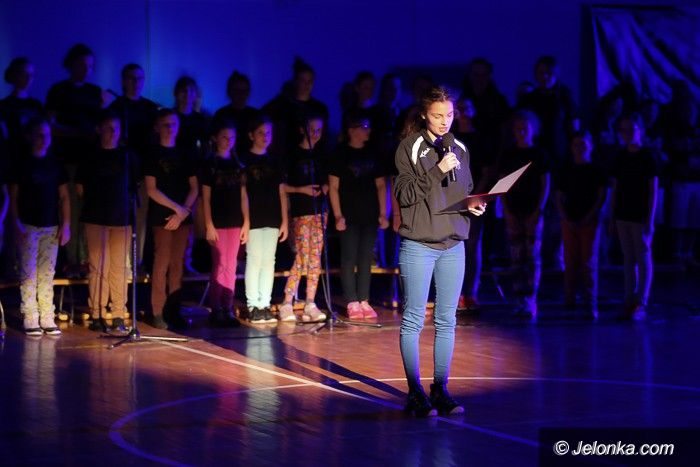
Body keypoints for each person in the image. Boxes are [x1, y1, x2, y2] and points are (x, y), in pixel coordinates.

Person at [394, 86, 486, 417]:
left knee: (447, 319)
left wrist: (472, 205)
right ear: (424, 115)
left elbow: (463, 191)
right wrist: (437, 170)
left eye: (449, 114)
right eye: (437, 115)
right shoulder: (410, 147)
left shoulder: (460, 148)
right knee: (414, 318)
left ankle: (440, 387)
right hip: (419, 244)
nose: (445, 121)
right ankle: (414, 392)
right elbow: (405, 195)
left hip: (453, 244)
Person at [45, 43, 103, 278]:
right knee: (69, 209)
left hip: (90, 162)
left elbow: (102, 126)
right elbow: (50, 125)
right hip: (66, 159)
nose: (86, 69)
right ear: (71, 64)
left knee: (88, 210)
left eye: (90, 65)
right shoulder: (58, 91)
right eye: (82, 64)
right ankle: (70, 261)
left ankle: (86, 259)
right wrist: (79, 133)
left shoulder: (95, 92)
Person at [8, 117, 70, 336]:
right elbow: (13, 196)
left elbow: (64, 196)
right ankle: (30, 315)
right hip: (28, 225)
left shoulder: (55, 163)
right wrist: (15, 222)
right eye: (40, 135)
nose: (44, 139)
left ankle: (46, 315)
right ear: (31, 137)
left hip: (51, 225)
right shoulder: (21, 163)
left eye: (47, 135)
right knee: (29, 272)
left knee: (47, 272)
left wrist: (66, 224)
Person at [77, 111, 137, 332]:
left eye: (117, 129)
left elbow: (134, 186)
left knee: (119, 268)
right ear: (99, 129)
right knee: (98, 267)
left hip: (121, 218)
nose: (113, 133)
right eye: (109, 128)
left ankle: (119, 313)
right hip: (96, 217)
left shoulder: (127, 156)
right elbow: (80, 188)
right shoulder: (90, 156)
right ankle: (97, 313)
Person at [329, 110, 389, 319]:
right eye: (364, 127)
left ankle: (364, 299)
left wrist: (383, 213)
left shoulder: (373, 153)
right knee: (348, 257)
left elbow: (381, 185)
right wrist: (338, 215)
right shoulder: (340, 153)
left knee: (365, 258)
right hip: (348, 215)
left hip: (369, 214)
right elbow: (333, 187)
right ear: (352, 130)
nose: (368, 131)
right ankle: (352, 301)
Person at [144, 109, 198, 329]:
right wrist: (177, 209)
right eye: (165, 124)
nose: (170, 128)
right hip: (162, 217)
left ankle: (174, 310)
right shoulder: (152, 153)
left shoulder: (185, 153)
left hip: (182, 217)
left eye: (173, 124)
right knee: (162, 263)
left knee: (178, 264)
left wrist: (184, 211)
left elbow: (194, 187)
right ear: (157, 127)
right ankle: (158, 311)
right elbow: (151, 189)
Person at [498, 110, 550, 319]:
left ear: (533, 130)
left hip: (532, 210)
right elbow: (503, 185)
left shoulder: (539, 154)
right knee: (516, 255)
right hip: (514, 209)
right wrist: (507, 210)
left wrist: (539, 210)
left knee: (532, 256)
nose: (521, 132)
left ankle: (531, 299)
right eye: (518, 128)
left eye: (525, 128)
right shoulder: (508, 155)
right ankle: (519, 299)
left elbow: (545, 184)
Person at [277, 114, 329, 323]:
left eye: (319, 130)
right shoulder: (292, 155)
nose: (315, 134)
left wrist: (323, 188)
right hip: (301, 212)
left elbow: (328, 181)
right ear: (302, 129)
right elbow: (282, 186)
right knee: (301, 257)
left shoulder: (321, 155)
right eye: (312, 129)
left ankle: (310, 302)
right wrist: (303, 190)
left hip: (320, 213)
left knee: (315, 259)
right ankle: (287, 302)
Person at [611, 113, 659, 320]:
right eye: (623, 130)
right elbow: (616, 187)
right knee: (628, 258)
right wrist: (612, 214)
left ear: (640, 130)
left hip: (640, 214)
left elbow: (653, 189)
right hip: (623, 213)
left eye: (631, 129)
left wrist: (650, 218)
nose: (627, 133)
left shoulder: (648, 156)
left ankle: (642, 300)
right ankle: (629, 297)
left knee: (642, 256)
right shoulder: (620, 156)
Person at [555, 131, 607, 318]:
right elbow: (558, 195)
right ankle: (569, 299)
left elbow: (601, 196)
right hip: (569, 219)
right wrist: (564, 217)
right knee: (570, 261)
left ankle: (590, 302)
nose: (579, 148)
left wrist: (590, 216)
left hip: (589, 220)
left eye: (583, 144)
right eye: (576, 144)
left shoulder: (596, 170)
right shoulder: (566, 169)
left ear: (591, 146)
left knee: (588, 261)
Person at [201, 119, 248, 327]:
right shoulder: (210, 165)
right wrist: (209, 224)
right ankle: (216, 309)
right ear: (215, 138)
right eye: (224, 137)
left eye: (232, 137)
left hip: (235, 221)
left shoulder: (238, 165)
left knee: (231, 265)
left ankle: (227, 307)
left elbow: (244, 196)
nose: (228, 141)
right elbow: (206, 198)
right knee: (219, 265)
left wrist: (246, 222)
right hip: (218, 222)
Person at [242, 115, 288, 324]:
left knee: (269, 261)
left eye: (268, 133)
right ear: (251, 135)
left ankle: (265, 304)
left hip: (272, 217)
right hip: (253, 218)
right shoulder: (244, 161)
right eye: (260, 132)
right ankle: (253, 305)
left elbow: (281, 192)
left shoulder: (275, 161)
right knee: (254, 260)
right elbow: (243, 193)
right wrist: (245, 220)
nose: (265, 136)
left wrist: (284, 220)